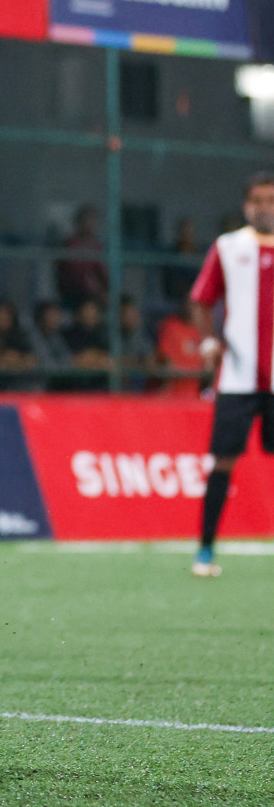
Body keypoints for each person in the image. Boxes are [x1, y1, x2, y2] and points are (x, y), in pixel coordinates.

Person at [186, 172, 274, 578]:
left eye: (270, 200)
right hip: (237, 378)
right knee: (222, 461)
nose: (263, 207)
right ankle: (205, 551)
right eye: (256, 200)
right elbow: (201, 299)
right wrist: (208, 342)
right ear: (245, 205)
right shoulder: (228, 247)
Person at [56, 205, 107, 310]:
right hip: (73, 295)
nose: (91, 225)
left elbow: (101, 272)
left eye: (93, 221)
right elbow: (68, 273)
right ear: (79, 223)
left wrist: (103, 290)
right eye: (88, 220)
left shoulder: (96, 246)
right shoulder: (70, 244)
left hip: (91, 296)